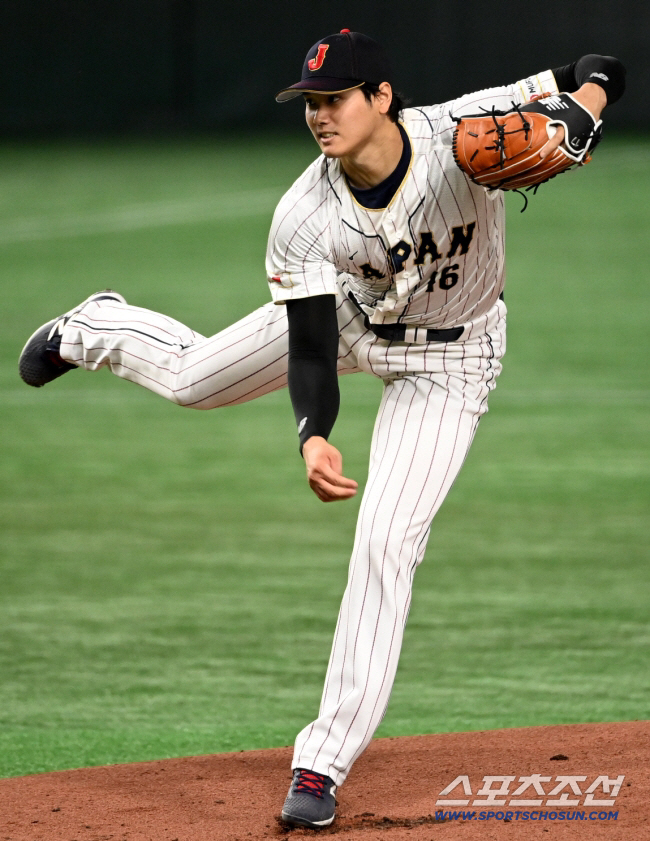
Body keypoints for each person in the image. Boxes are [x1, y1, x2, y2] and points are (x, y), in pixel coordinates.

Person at [19, 30, 625, 831]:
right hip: (348, 319)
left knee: (386, 542)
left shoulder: (459, 130)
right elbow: (308, 345)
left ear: (381, 97)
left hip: (452, 360)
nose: (319, 116)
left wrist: (583, 109)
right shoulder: (303, 213)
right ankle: (96, 325)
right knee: (194, 380)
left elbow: (599, 68)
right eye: (309, 103)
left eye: (335, 98)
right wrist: (313, 433)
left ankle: (321, 762)